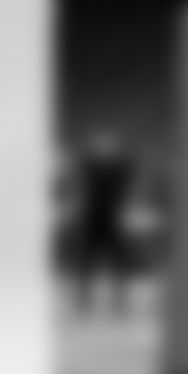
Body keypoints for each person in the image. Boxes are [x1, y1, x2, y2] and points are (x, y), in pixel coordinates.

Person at [69, 129, 139, 316]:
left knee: (119, 263)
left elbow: (129, 166)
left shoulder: (122, 168)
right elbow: (82, 167)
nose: (105, 147)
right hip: (92, 219)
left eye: (109, 144)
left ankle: (120, 302)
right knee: (86, 263)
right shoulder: (89, 167)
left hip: (113, 220)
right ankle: (82, 302)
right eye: (101, 144)